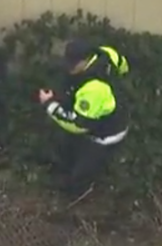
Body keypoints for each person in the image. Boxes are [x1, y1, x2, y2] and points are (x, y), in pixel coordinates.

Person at [37, 39, 130, 197]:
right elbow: (123, 65)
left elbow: (77, 125)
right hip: (113, 112)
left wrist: (49, 104)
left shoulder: (94, 89)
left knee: (81, 173)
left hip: (105, 134)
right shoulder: (106, 53)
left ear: (86, 60)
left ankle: (79, 200)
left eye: (73, 65)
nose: (70, 68)